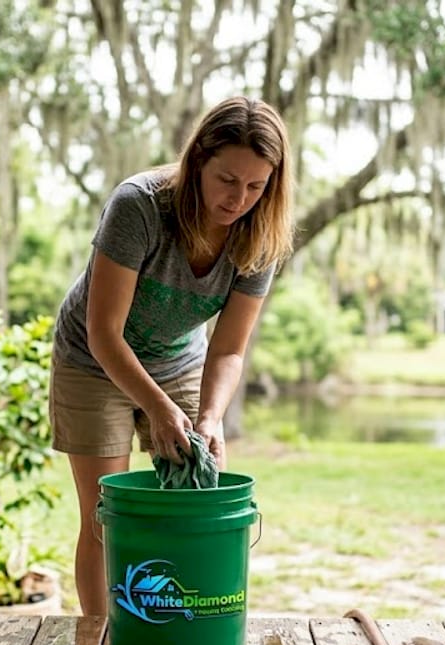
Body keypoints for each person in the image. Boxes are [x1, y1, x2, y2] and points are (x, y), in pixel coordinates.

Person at [48, 96, 295, 617]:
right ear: (198, 159)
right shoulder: (139, 204)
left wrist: (210, 417)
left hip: (180, 360)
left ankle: (187, 621)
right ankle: (101, 639)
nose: (238, 199)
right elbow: (104, 331)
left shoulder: (262, 235)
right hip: (94, 360)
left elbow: (229, 348)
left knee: (199, 502)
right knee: (104, 516)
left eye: (256, 186)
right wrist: (159, 410)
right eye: (227, 179)